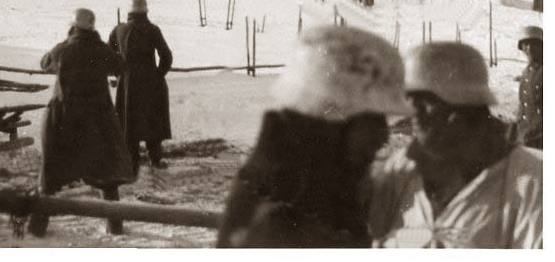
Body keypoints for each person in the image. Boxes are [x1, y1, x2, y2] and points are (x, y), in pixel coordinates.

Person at [217, 26, 412, 248]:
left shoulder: (283, 179)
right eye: (374, 119)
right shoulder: (286, 220)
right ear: (330, 118)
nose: (383, 136)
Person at [368, 42, 542, 248]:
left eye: (425, 100)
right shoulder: (401, 169)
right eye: (410, 98)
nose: (412, 111)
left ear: (463, 107)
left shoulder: (531, 184)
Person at [37, 9, 134, 236]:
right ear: (92, 27)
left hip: (64, 121)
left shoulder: (64, 50)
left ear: (73, 26)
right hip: (97, 122)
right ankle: (115, 227)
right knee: (107, 177)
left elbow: (45, 63)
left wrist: (67, 40)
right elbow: (119, 66)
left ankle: (38, 226)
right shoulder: (101, 50)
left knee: (50, 175)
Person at [108, 0, 173, 173]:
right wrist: (158, 76)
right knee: (152, 120)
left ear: (129, 12)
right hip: (151, 82)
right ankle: (155, 159)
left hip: (127, 84)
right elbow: (166, 56)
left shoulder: (118, 30)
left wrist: (120, 74)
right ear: (145, 11)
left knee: (129, 123)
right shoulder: (152, 30)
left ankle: (131, 163)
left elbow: (109, 56)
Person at [513, 26, 542, 149]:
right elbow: (523, 103)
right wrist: (516, 126)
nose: (529, 48)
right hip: (525, 133)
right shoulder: (526, 72)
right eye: (526, 44)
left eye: (534, 44)